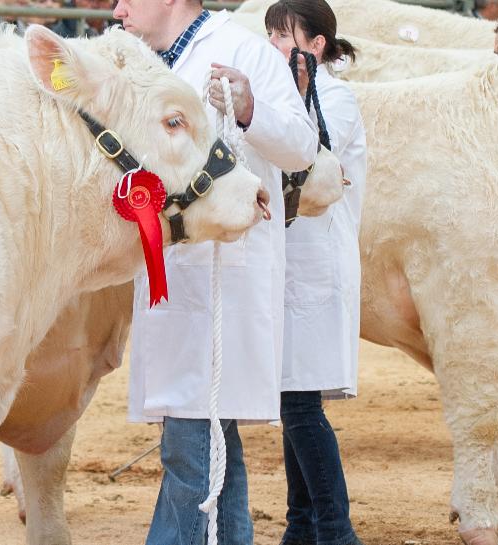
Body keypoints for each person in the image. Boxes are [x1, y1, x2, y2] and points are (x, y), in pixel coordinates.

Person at [113, 0, 318, 542]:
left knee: (191, 447)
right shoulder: (141, 63)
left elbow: (301, 148)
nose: (117, 8)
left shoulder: (246, 50)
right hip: (173, 274)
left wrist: (250, 110)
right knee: (211, 441)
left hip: (224, 276)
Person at [264, 1, 366, 544]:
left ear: (316, 45)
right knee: (293, 398)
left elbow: (307, 155)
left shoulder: (336, 98)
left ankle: (334, 530)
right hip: (290, 264)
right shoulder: (289, 97)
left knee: (299, 404)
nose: (274, 47)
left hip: (317, 265)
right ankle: (301, 528)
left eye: (283, 37)